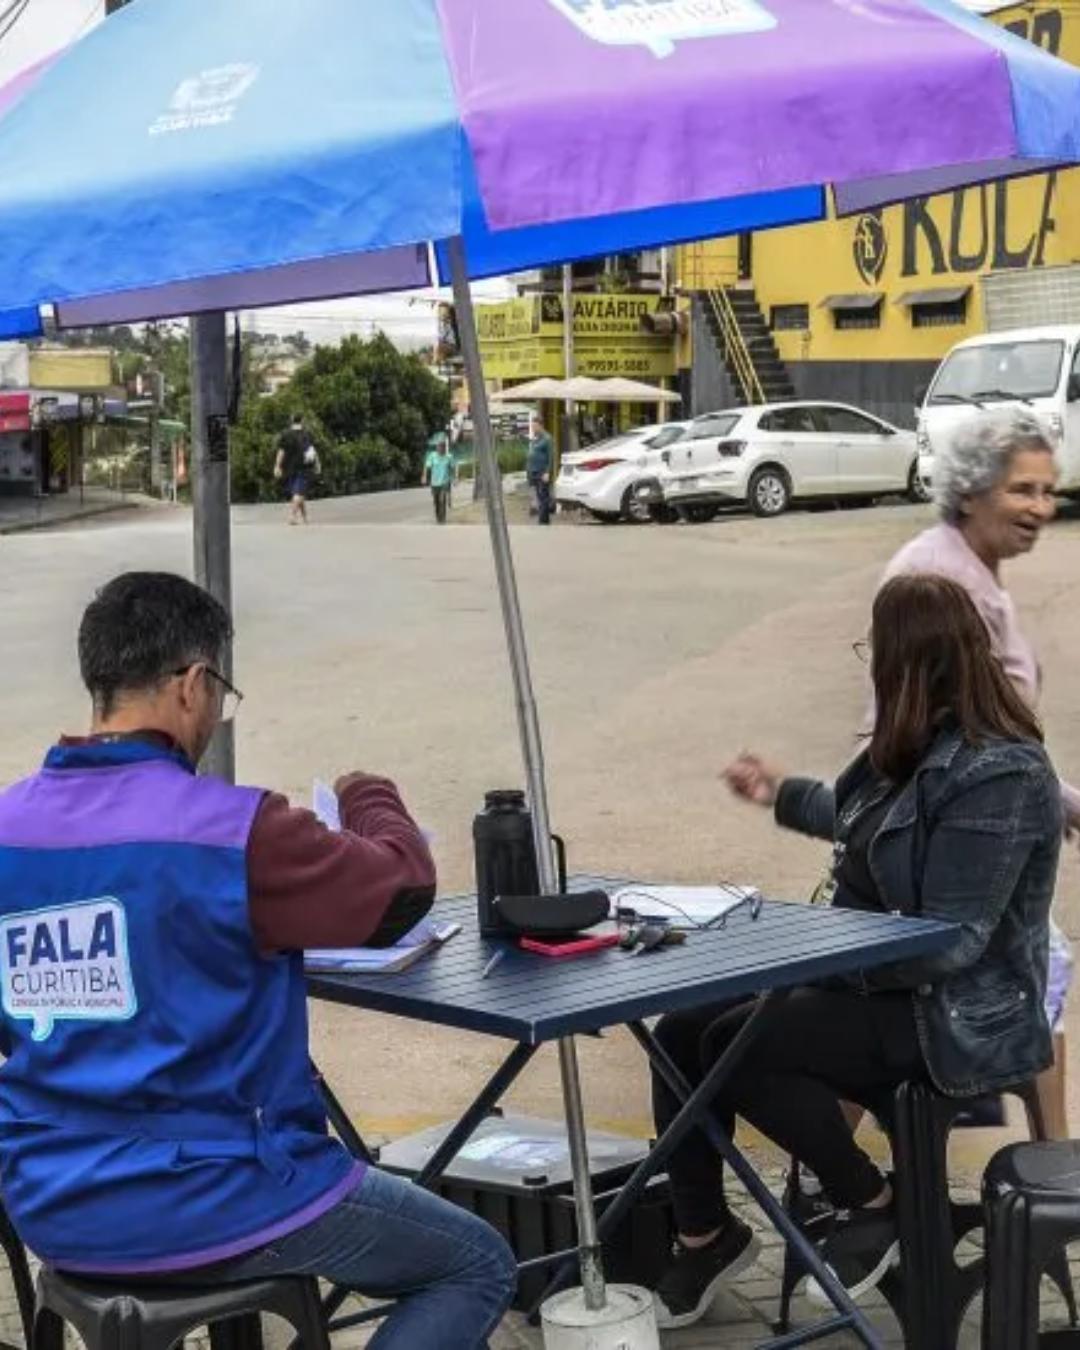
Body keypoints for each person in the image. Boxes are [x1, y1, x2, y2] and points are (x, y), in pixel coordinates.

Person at [0, 573, 516, 1349]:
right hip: (221, 1194)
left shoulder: (9, 828)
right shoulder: (235, 832)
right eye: (219, 692)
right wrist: (369, 794)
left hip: (49, 1201)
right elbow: (403, 887)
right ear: (192, 684)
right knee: (474, 1264)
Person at [649, 574, 1061, 1330]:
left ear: (908, 659)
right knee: (679, 1031)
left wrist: (817, 959)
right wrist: (778, 793)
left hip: (955, 1015)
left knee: (742, 1045)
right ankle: (708, 1236)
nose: (870, 663)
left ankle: (874, 1203)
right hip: (874, 984)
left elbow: (953, 942)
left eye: (874, 648)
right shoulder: (903, 749)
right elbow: (855, 817)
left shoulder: (1000, 772)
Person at [884, 408, 1079, 835]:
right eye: (1022, 490)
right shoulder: (942, 582)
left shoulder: (976, 564)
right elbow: (958, 738)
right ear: (969, 493)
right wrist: (1054, 799)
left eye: (1048, 491)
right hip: (961, 829)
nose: (1041, 508)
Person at [274, 414, 320, 525]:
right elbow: (312, 450)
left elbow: (281, 451)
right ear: (302, 421)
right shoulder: (307, 434)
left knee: (299, 492)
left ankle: (305, 518)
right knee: (298, 493)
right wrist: (317, 464)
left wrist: (277, 466)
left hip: (290, 468)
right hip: (305, 467)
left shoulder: (285, 434)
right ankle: (293, 517)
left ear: (291, 421)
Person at [422, 434, 456, 524]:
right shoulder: (432, 456)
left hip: (445, 482)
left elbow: (452, 468)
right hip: (434, 483)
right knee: (436, 501)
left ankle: (443, 519)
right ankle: (438, 517)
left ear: (445, 447)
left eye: (442, 446)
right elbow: (427, 467)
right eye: (439, 446)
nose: (441, 448)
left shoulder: (449, 457)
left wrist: (454, 478)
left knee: (442, 499)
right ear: (437, 447)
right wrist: (424, 476)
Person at [525, 418, 553, 525]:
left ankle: (543, 521)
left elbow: (551, 456)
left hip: (542, 471)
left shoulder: (547, 438)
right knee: (539, 495)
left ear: (540, 426)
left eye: (535, 426)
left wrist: (547, 472)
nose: (533, 428)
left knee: (543, 495)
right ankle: (544, 519)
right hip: (534, 471)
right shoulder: (536, 438)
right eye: (532, 426)